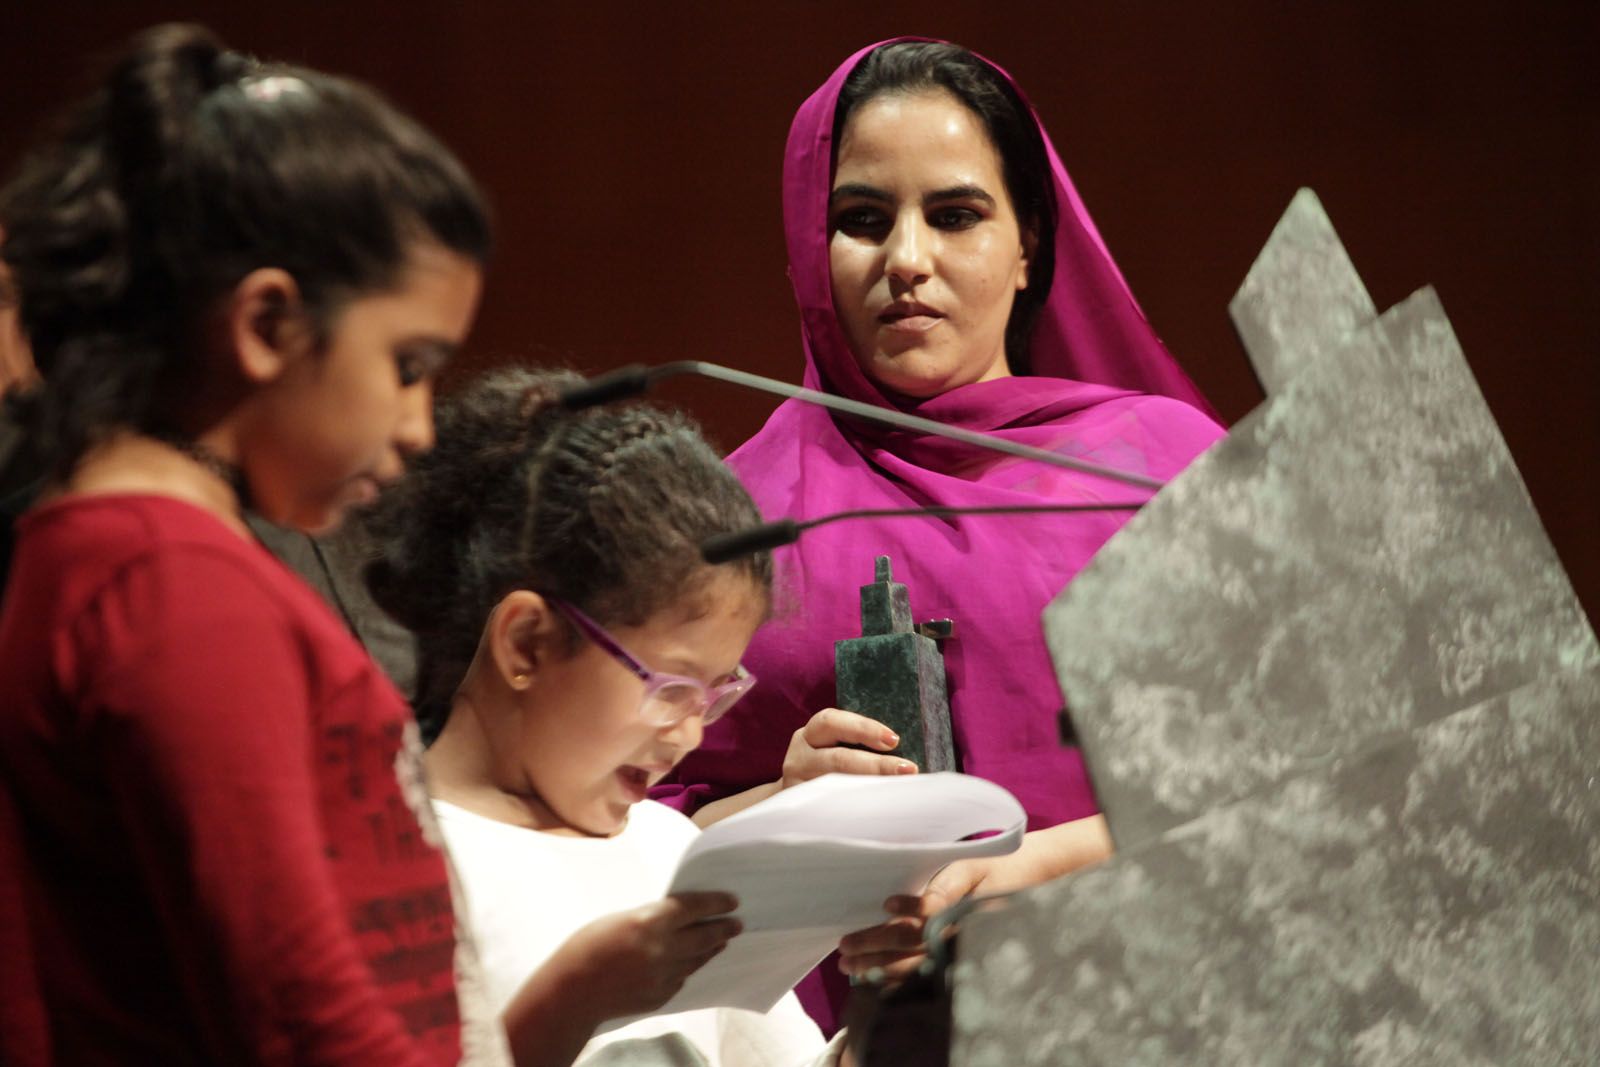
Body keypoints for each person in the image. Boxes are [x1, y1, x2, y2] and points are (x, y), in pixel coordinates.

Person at [0, 22, 550, 1065]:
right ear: (265, 325)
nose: (420, 425)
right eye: (407, 362)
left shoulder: (124, 553)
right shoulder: (170, 583)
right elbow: (300, 1012)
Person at [653, 39, 1229, 1027]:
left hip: (1196, 1010)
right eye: (862, 220)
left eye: (955, 215)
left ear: (1028, 245)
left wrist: (1037, 866)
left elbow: (1326, 756)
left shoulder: (1165, 462)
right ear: (809, 244)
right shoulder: (731, 520)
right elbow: (627, 832)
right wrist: (781, 808)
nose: (906, 261)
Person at [363, 366, 847, 1066]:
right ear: (527, 642)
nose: (689, 734)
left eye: (716, 693)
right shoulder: (406, 863)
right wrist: (577, 994)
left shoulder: (669, 846)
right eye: (670, 687)